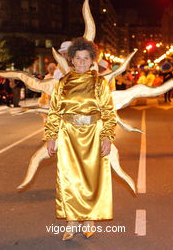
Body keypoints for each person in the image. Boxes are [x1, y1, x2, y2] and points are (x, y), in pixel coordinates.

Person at [44, 37, 116, 240]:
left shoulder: (100, 83)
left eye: (86, 58)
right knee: (69, 179)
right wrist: (51, 137)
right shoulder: (62, 83)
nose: (82, 62)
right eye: (78, 58)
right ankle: (72, 220)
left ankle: (89, 218)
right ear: (71, 60)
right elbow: (54, 112)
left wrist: (107, 137)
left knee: (92, 178)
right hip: (68, 136)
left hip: (93, 133)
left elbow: (108, 112)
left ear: (92, 60)